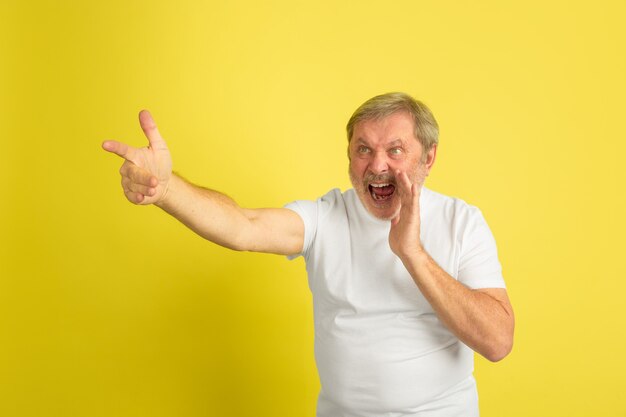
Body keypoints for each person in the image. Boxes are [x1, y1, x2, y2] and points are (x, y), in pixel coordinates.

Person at [102, 92, 514, 417]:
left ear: (429, 157)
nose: (377, 165)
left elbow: (497, 341)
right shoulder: (326, 217)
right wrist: (167, 188)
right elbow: (243, 226)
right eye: (363, 149)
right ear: (349, 157)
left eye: (395, 150)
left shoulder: (463, 222)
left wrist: (413, 254)